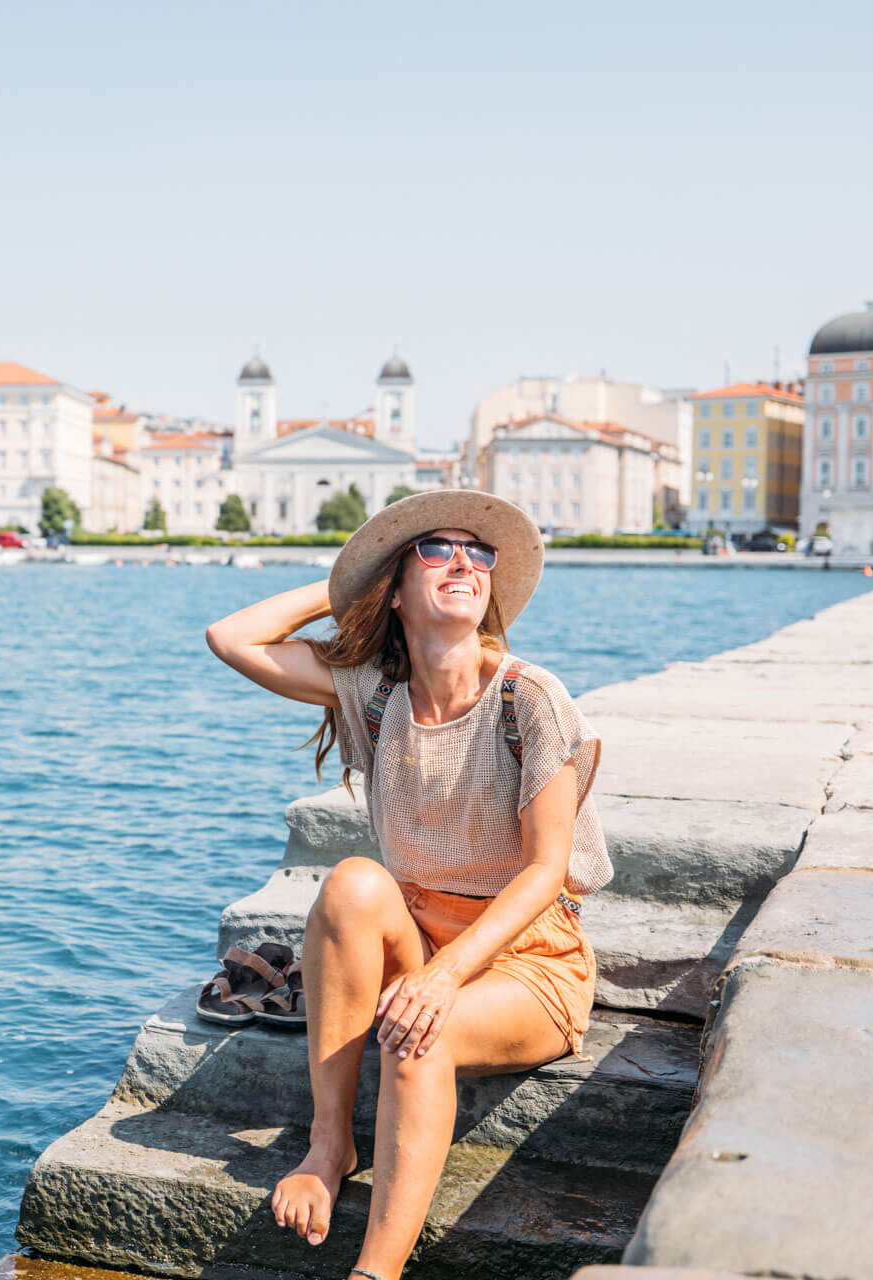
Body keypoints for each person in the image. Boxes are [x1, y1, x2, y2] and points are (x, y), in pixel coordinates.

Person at [205, 490, 611, 1280]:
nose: (464, 562)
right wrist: (351, 586)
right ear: (396, 589)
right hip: (422, 935)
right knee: (352, 882)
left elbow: (545, 871)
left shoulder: (530, 698)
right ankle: (330, 1146)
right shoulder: (375, 690)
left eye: (479, 553)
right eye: (437, 549)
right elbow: (232, 637)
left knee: (421, 1030)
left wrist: (442, 976)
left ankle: (375, 1272)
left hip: (530, 961)